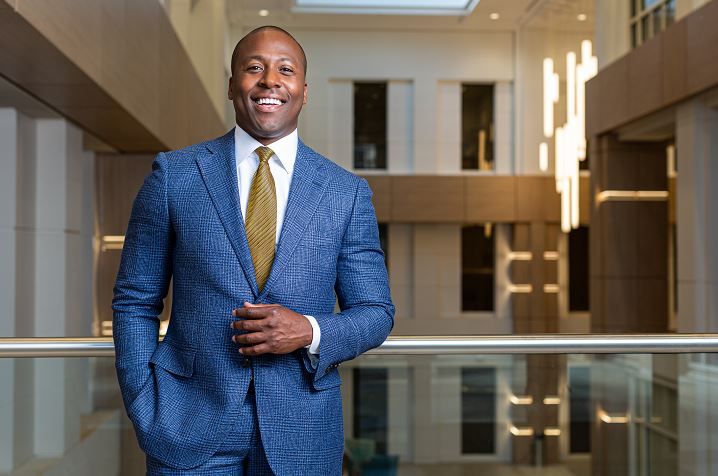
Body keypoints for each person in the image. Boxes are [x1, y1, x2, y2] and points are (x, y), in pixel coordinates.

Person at [112, 26, 394, 475]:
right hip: (186, 422)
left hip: (303, 430)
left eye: (286, 69)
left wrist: (310, 331)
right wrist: (143, 403)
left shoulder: (346, 193)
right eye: (254, 67)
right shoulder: (174, 176)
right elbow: (134, 300)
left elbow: (376, 312)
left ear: (304, 91)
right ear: (231, 86)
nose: (270, 81)